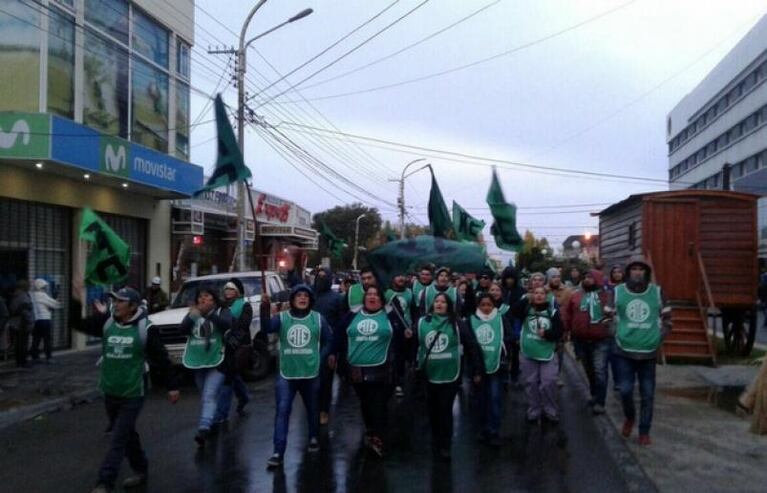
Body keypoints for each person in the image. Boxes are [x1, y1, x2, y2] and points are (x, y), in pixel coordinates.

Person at [78, 287, 179, 493]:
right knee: (127, 435)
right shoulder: (108, 323)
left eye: (120, 301)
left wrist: (172, 386)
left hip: (133, 392)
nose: (116, 304)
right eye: (114, 301)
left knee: (118, 437)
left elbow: (161, 358)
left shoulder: (145, 328)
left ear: (132, 306)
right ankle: (141, 468)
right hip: (110, 389)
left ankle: (104, 482)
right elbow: (84, 325)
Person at [260, 285, 335, 468]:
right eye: (298, 295)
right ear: (292, 299)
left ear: (310, 300)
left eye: (306, 296)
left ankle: (313, 436)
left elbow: (329, 340)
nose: (302, 298)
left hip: (311, 373)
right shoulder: (283, 318)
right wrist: (264, 308)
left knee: (312, 408)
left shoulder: (318, 319)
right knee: (283, 411)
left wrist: (321, 357)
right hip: (287, 373)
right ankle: (278, 451)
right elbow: (267, 328)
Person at [608, 256, 671, 446]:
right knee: (625, 391)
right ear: (628, 272)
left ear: (646, 272)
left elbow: (668, 319)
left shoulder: (657, 292)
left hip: (648, 352)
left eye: (641, 269)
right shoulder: (618, 292)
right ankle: (630, 417)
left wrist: (658, 338)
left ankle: (644, 430)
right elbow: (606, 316)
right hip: (624, 351)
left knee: (648, 393)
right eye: (634, 269)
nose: (637, 272)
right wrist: (615, 333)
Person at [413, 292, 482, 460]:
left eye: (443, 302)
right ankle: (436, 439)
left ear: (449, 305)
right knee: (432, 411)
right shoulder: (422, 322)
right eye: (436, 301)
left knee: (445, 410)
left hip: (450, 374)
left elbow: (471, 345)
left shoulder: (458, 324)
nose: (439, 304)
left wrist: (477, 369)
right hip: (429, 375)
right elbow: (414, 344)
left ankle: (445, 445)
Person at [337, 285, 404, 457]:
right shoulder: (353, 314)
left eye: (376, 294)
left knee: (379, 403)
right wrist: (333, 354)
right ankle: (371, 431)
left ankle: (379, 437)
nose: (372, 297)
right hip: (357, 369)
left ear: (381, 299)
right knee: (366, 403)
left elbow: (401, 333)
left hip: (383, 369)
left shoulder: (389, 315)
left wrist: (407, 334)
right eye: (369, 294)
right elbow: (339, 335)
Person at [179, 285, 232, 448]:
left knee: (209, 394)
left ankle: (203, 428)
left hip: (217, 361)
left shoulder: (221, 312)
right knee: (205, 395)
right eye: (201, 296)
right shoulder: (192, 313)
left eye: (207, 296)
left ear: (215, 300)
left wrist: (209, 314)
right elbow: (182, 330)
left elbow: (227, 325)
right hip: (198, 360)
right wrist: (192, 317)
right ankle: (213, 419)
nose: (203, 299)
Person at [512, 286, 563, 423]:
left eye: (542, 293)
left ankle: (550, 409)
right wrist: (526, 299)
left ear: (546, 296)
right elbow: (513, 311)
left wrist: (547, 334)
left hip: (547, 352)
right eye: (536, 293)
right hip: (528, 352)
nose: (539, 295)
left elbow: (559, 331)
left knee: (549, 381)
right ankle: (534, 409)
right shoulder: (526, 309)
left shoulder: (552, 312)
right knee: (530, 383)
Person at [469, 293, 514, 447]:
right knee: (481, 400)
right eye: (483, 305)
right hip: (478, 368)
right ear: (478, 306)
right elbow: (468, 344)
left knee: (495, 399)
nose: (486, 308)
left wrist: (500, 346)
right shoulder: (471, 320)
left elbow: (509, 337)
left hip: (496, 366)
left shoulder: (501, 319)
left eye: (489, 305)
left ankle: (494, 429)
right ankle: (482, 429)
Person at [566, 270, 611, 414]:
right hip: (581, 340)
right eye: (585, 277)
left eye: (590, 277)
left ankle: (600, 402)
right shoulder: (576, 296)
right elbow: (569, 314)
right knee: (589, 370)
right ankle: (594, 394)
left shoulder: (606, 297)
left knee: (600, 370)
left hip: (600, 340)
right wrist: (567, 331)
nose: (587, 279)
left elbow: (615, 314)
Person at [214, 278, 252, 425]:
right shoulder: (221, 307)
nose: (228, 292)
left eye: (231, 289)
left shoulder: (244, 306)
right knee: (232, 375)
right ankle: (243, 396)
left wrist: (234, 341)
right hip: (223, 346)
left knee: (227, 377)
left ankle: (221, 413)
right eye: (226, 289)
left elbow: (243, 326)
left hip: (238, 347)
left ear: (237, 291)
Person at [312, 267, 344, 425]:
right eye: (319, 276)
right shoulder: (309, 295)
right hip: (309, 343)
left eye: (325, 277)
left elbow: (341, 325)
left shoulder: (337, 299)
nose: (321, 279)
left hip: (328, 345)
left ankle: (324, 410)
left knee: (325, 380)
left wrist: (335, 351)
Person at [385, 274, 415, 398]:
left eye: (403, 276)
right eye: (397, 276)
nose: (401, 279)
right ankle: (395, 382)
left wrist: (413, 326)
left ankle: (404, 380)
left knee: (405, 357)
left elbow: (413, 310)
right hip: (392, 329)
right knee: (395, 357)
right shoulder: (387, 293)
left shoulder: (409, 292)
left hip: (407, 329)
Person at [30, 278, 61, 364]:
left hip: (36, 320)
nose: (46, 288)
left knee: (36, 339)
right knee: (47, 339)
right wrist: (56, 300)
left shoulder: (32, 295)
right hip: (45, 320)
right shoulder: (43, 295)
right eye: (45, 287)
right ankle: (49, 357)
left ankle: (34, 356)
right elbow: (55, 305)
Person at [8, 279, 35, 368]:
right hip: (22, 323)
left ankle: (19, 361)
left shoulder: (15, 296)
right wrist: (31, 322)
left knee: (18, 344)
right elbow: (26, 311)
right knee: (23, 344)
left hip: (15, 323)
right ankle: (22, 362)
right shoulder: (24, 296)